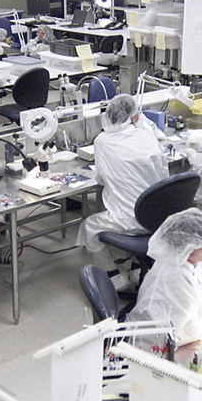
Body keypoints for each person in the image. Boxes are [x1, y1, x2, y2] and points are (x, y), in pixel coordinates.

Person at [76, 94, 168, 263]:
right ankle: (133, 267)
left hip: (128, 220)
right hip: (158, 217)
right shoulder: (148, 136)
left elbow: (101, 179)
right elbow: (164, 176)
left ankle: (114, 276)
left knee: (88, 227)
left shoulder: (102, 141)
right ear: (134, 117)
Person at [127, 209, 202, 348]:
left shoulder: (180, 260)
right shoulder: (174, 276)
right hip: (154, 348)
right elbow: (187, 329)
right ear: (189, 247)